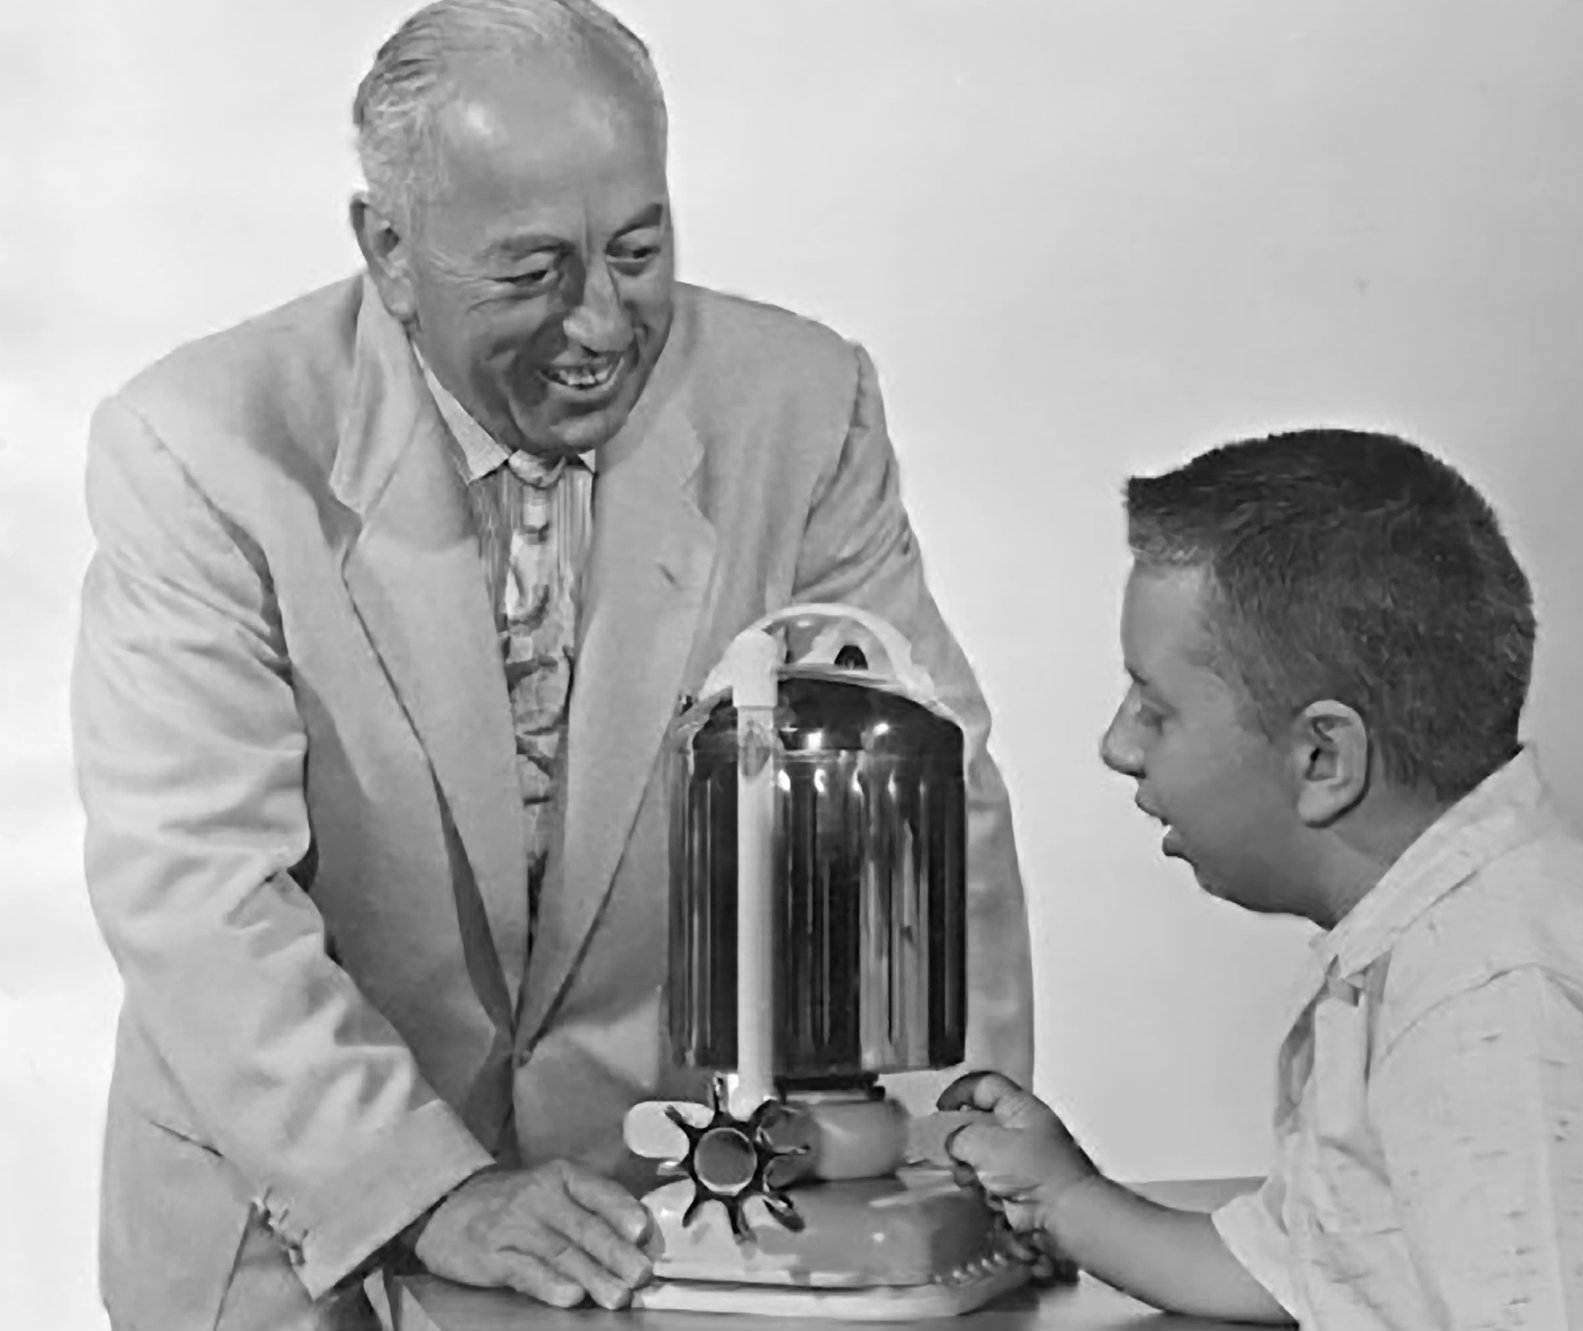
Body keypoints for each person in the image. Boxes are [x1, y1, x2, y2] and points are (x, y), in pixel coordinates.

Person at [69, 2, 1032, 1327]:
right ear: (388, 251)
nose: (600, 322)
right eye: (531, 273)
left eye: (637, 251)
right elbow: (199, 890)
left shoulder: (802, 404)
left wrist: (942, 1168)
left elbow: (927, 799)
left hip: (672, 1220)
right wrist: (430, 1192)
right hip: (286, 1222)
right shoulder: (197, 446)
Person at [939, 429, 1583, 1330]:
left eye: (1156, 707)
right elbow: (1319, 1267)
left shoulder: (1501, 999)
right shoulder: (1423, 937)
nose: (1117, 746)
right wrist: (1066, 1197)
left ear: (1322, 758)